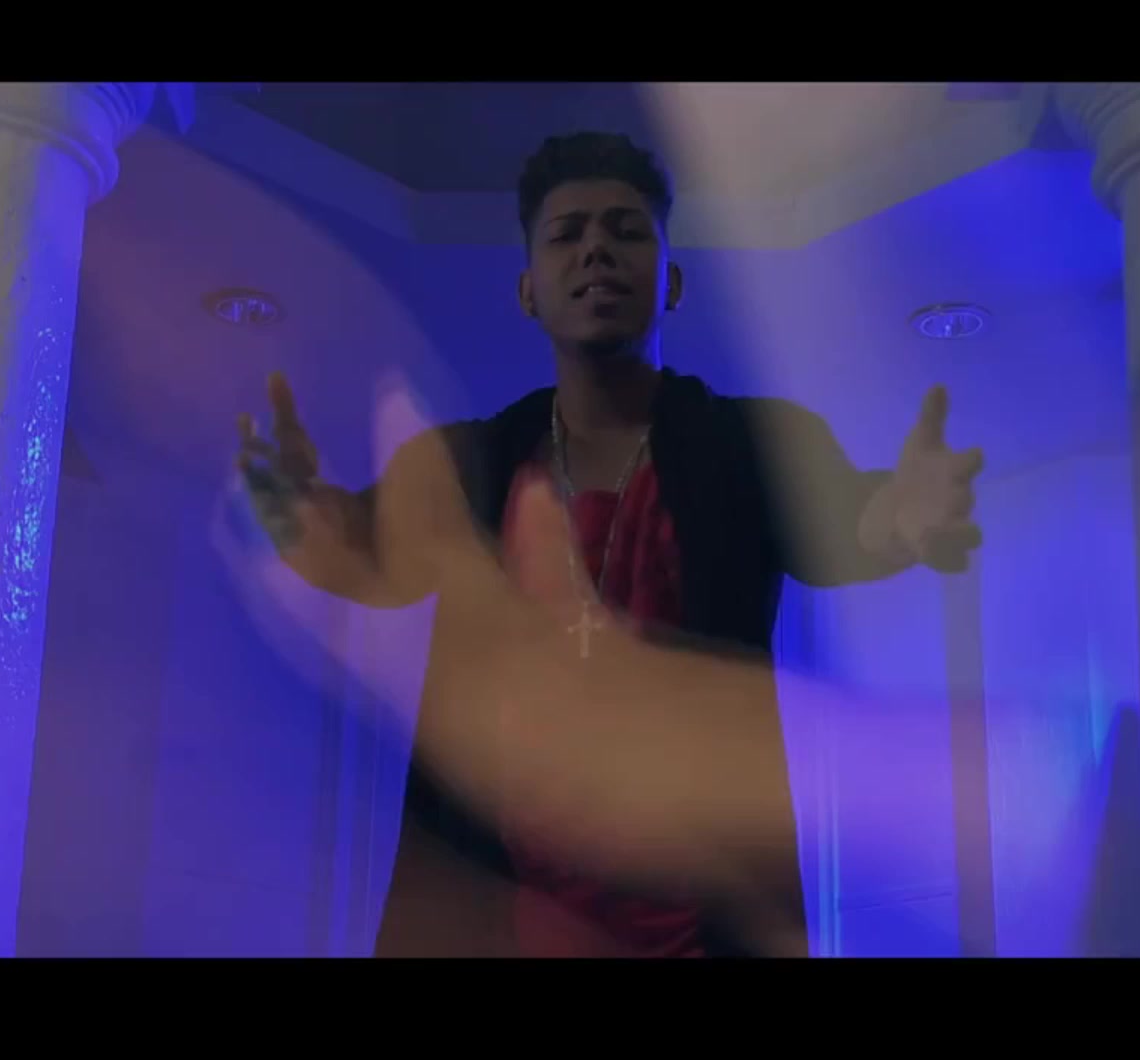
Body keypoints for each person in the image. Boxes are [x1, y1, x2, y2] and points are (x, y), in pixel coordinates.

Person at [236, 131, 985, 957]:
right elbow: (352, 553)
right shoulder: (466, 463)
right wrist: (293, 507)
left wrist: (903, 517)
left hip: (700, 917)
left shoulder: (747, 444)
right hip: (501, 918)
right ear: (529, 289)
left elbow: (852, 522)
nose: (596, 248)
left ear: (672, 280)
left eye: (627, 231)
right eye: (567, 233)